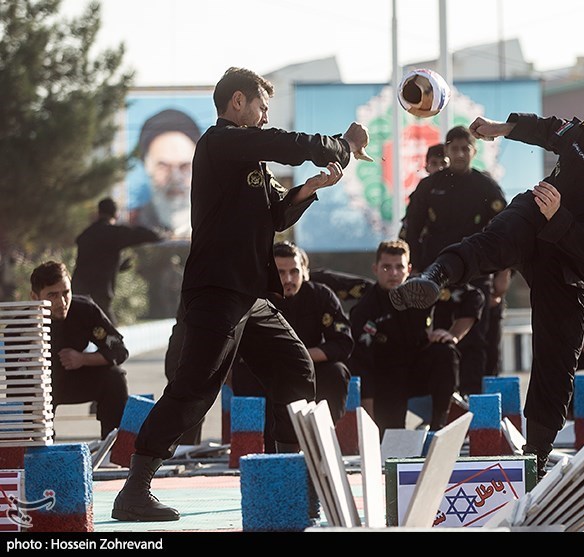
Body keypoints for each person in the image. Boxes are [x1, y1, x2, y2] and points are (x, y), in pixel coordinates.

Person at [112, 66, 370, 522]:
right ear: (237, 102)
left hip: (250, 296)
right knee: (195, 390)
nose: (266, 117)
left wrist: (310, 188)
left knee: (296, 368)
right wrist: (343, 145)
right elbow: (289, 144)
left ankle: (290, 481)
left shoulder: (249, 160)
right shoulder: (220, 142)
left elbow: (277, 215)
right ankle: (135, 490)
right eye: (262, 107)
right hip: (217, 291)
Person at [389, 87, 584, 480]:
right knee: (491, 242)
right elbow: (548, 129)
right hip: (533, 218)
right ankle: (435, 276)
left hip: (569, 261)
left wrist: (560, 215)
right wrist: (502, 128)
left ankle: (536, 456)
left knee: (559, 354)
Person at [401, 125, 509, 396]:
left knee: (477, 340)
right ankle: (442, 403)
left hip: (477, 273)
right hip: (436, 273)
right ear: (447, 150)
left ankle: (475, 404)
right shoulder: (429, 186)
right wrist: (415, 269)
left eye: (465, 148)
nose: (460, 154)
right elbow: (412, 230)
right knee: (436, 337)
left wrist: (503, 273)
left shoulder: (486, 187)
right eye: (455, 148)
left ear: (474, 151)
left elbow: (506, 232)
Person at [228, 241, 354, 447]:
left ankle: (322, 441)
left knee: (337, 372)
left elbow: (342, 343)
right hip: (266, 369)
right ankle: (265, 447)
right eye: (281, 272)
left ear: (305, 271)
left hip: (310, 367)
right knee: (244, 374)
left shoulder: (321, 296)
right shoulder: (255, 298)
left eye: (294, 271)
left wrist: (299, 358)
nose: (288, 279)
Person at [348, 240, 465, 438]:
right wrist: (369, 417)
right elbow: (362, 363)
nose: (393, 273)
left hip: (419, 369)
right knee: (392, 439)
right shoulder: (365, 309)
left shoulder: (423, 289)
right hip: (387, 378)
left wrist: (453, 334)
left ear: (409, 269)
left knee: (445, 352)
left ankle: (439, 425)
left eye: (399, 267)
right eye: (387, 267)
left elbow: (473, 297)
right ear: (375, 269)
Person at [28, 261, 129, 440]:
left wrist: (82, 359)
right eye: (52, 295)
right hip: (39, 387)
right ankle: (35, 442)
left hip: (73, 380)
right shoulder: (21, 323)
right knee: (23, 388)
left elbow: (118, 350)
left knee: (114, 377)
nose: (62, 302)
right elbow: (14, 374)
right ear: (35, 297)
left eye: (66, 293)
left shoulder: (84, 310)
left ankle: (113, 443)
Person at [71, 197, 163, 325]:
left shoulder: (86, 234)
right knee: (110, 333)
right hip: (99, 293)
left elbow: (92, 260)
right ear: (116, 214)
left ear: (99, 213)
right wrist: (160, 235)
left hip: (79, 291)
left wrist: (118, 266)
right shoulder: (113, 233)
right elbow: (143, 235)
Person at [130, 109, 201, 238]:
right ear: (146, 166)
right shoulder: (133, 225)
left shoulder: (216, 223)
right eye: (164, 167)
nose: (175, 178)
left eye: (184, 167)